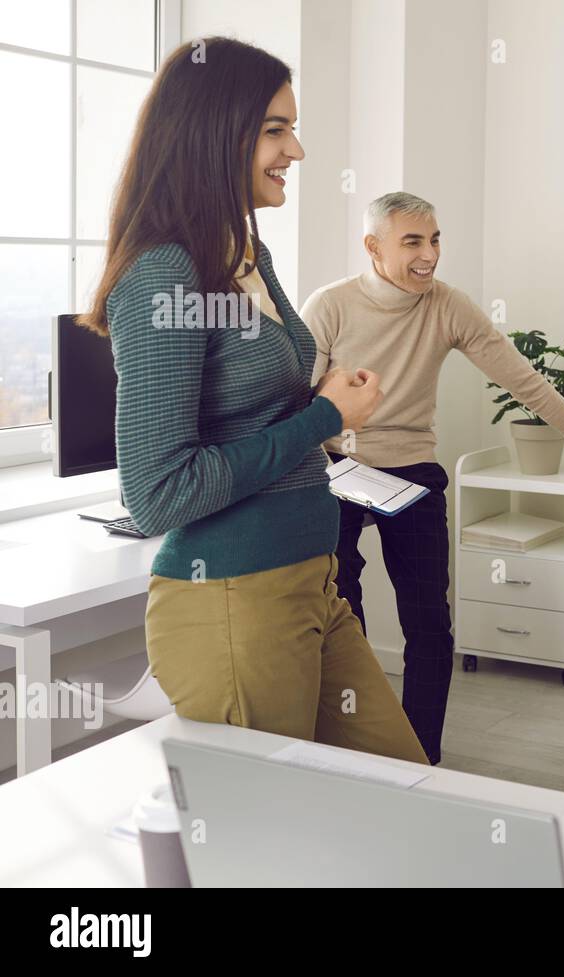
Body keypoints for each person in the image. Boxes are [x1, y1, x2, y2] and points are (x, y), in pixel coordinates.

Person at [79, 38, 427, 765]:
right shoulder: (164, 274)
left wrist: (325, 409)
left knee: (403, 782)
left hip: (311, 579)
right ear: (214, 130)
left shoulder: (246, 253)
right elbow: (155, 494)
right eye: (275, 129)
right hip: (234, 599)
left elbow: (264, 414)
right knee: (270, 844)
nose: (296, 149)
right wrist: (324, 417)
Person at [301, 192, 564, 764]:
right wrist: (321, 463)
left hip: (412, 470)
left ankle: (422, 758)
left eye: (435, 239)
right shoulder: (330, 306)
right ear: (373, 247)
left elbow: (527, 383)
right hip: (336, 467)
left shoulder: (448, 306)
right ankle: (356, 750)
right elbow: (299, 401)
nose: (430, 255)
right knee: (341, 613)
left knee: (431, 625)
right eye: (413, 241)